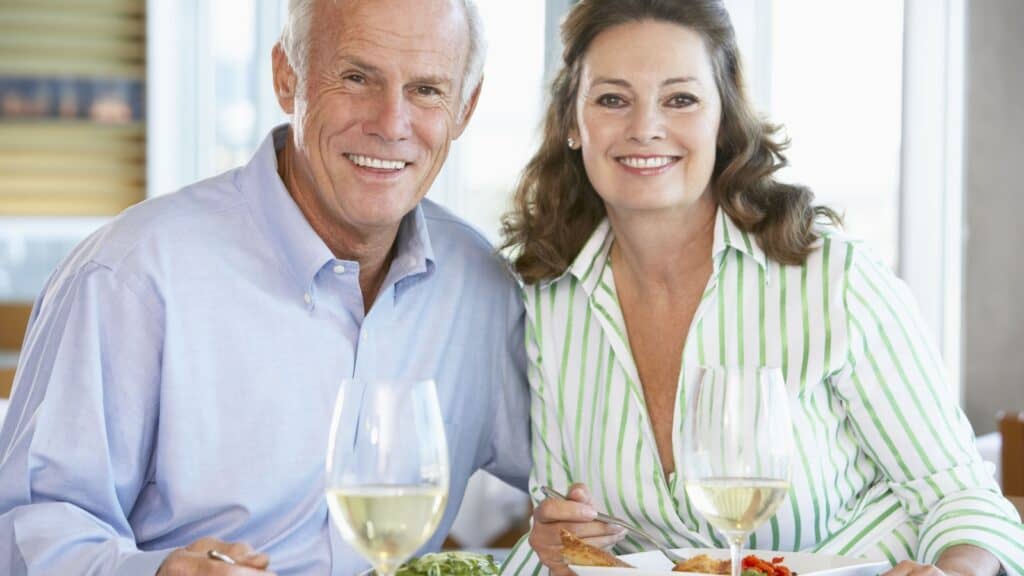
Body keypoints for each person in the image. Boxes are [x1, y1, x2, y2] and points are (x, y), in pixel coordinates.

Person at [0, 0, 531, 574]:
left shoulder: (482, 288)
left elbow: (594, 480)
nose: (391, 123)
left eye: (427, 90)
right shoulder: (130, 276)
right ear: (287, 77)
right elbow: (25, 532)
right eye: (357, 78)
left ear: (466, 107)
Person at [498, 1, 1024, 575]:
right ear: (573, 124)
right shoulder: (550, 302)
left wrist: (955, 572)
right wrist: (559, 542)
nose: (645, 126)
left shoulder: (832, 278)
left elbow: (965, 502)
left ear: (723, 120)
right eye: (612, 99)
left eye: (680, 99)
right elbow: (572, 538)